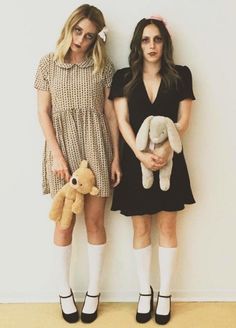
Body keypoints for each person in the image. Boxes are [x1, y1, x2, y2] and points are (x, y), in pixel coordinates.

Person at [34, 4, 121, 324]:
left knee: (96, 222)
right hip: (63, 152)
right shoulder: (47, 64)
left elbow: (110, 115)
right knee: (64, 222)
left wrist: (115, 157)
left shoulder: (104, 67)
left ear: (96, 38)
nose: (81, 39)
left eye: (89, 35)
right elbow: (43, 112)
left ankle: (94, 291)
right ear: (69, 27)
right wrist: (57, 155)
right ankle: (64, 292)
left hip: (96, 147)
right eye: (78, 30)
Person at [109, 16, 195, 325]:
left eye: (157, 39)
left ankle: (166, 294)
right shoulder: (122, 77)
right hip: (136, 164)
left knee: (169, 229)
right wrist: (140, 155)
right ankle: (145, 292)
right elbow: (122, 121)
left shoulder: (181, 75)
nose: (152, 45)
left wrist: (167, 148)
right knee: (141, 230)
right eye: (146, 40)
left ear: (165, 43)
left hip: (171, 160)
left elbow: (184, 119)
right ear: (138, 44)